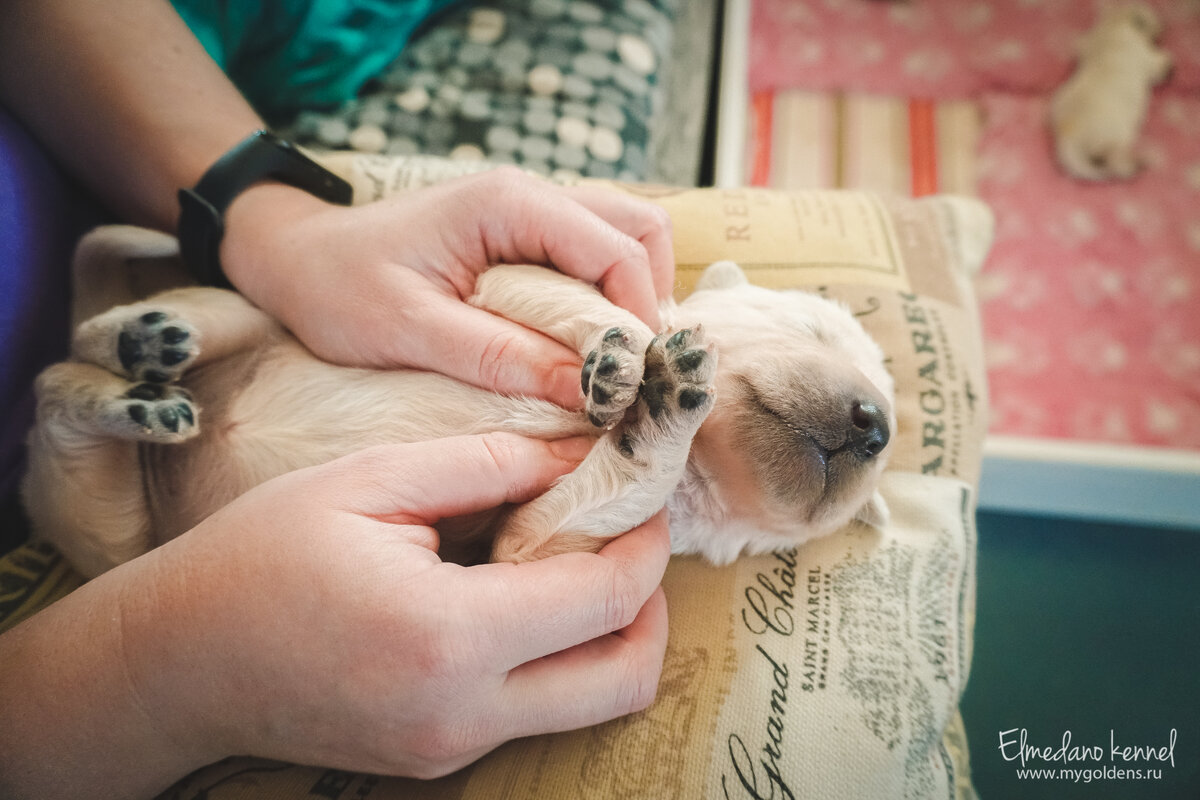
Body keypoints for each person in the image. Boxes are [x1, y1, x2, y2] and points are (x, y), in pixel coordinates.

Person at [0, 1, 676, 797]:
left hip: (146, 233)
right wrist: (150, 677)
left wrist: (270, 217)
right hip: (114, 534)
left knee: (203, 342)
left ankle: (97, 395)